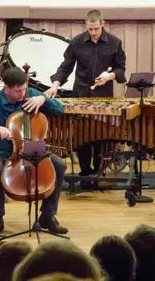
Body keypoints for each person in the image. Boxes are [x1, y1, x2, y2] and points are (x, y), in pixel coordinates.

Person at [0, 66, 68, 237]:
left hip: (33, 149)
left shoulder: (30, 92)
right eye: (18, 91)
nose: (23, 94)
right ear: (6, 88)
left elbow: (60, 109)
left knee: (59, 165)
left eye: (24, 89)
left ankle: (48, 215)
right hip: (3, 151)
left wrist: (43, 99)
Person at [44, 9, 126, 177]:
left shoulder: (114, 42)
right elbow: (66, 67)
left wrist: (109, 75)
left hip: (103, 97)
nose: (93, 33)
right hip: (81, 94)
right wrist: (55, 84)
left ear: (102, 24)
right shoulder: (77, 42)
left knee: (101, 136)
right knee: (82, 136)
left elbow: (121, 69)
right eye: (90, 29)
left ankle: (98, 171)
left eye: (96, 29)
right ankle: (85, 173)